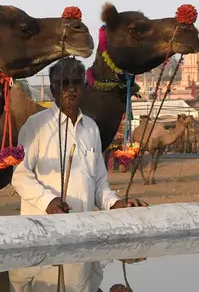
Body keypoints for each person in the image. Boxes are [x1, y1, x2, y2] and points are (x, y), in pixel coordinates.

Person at [11, 57, 147, 215]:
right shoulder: (36, 126)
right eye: (64, 84)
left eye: (76, 83)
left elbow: (99, 183)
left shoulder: (91, 128)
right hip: (45, 228)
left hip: (82, 226)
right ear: (54, 89)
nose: (71, 89)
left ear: (84, 87)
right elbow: (20, 176)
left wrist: (114, 203)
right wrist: (48, 201)